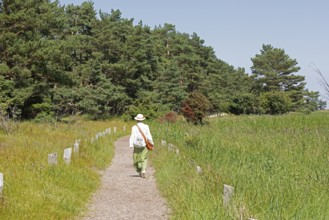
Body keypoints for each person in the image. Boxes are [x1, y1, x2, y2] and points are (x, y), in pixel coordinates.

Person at [129, 113, 154, 178]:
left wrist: (131, 144)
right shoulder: (146, 126)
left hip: (136, 145)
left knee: (136, 157)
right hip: (144, 145)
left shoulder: (134, 127)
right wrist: (151, 142)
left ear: (136, 120)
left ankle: (139, 170)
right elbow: (149, 135)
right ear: (142, 119)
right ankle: (143, 170)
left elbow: (132, 136)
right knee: (144, 157)